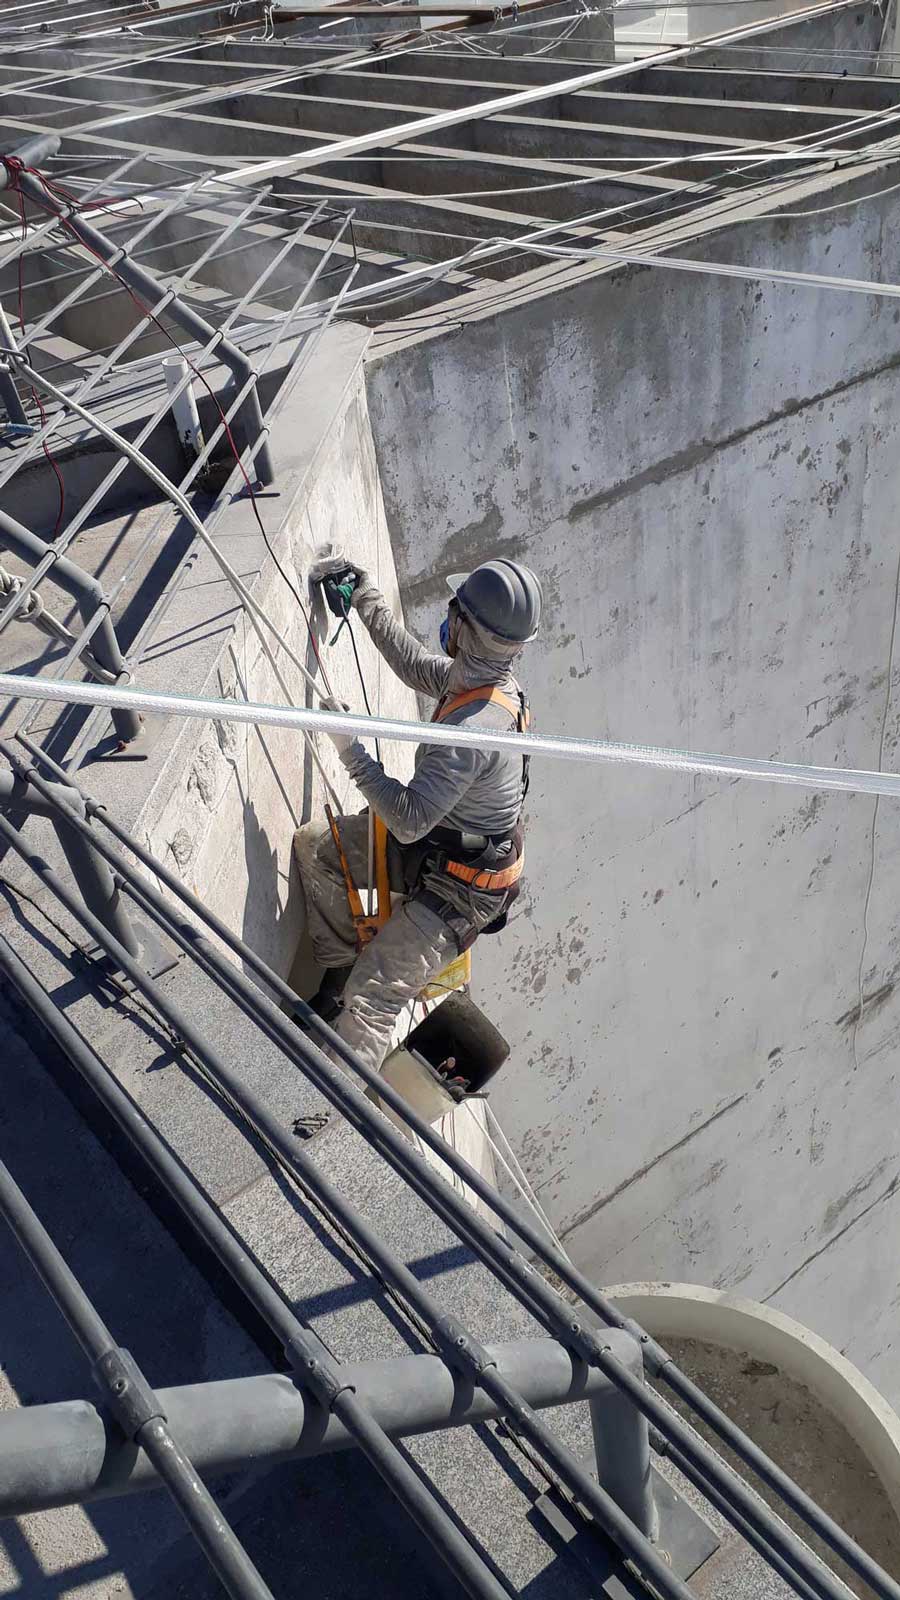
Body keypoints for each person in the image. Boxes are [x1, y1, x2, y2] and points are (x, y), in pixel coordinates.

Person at [293, 550, 542, 1080]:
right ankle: (337, 977)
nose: (447, 619)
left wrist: (349, 748)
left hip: (462, 891)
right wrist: (366, 595)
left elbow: (408, 821)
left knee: (373, 998)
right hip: (444, 848)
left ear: (467, 630)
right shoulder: (479, 683)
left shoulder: (473, 729)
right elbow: (412, 665)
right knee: (318, 850)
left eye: (456, 610)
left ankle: (338, 1112)